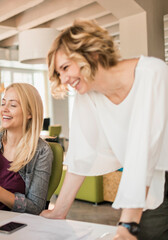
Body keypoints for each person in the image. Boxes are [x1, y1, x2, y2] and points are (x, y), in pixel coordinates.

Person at [40, 19, 168, 240]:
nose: (64, 79)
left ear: (91, 53)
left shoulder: (152, 72)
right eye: (59, 73)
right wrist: (59, 211)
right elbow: (81, 153)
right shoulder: (88, 93)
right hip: (151, 183)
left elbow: (143, 150)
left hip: (154, 171)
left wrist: (127, 225)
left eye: (65, 68)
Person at [0, 83, 53, 215]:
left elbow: (36, 208)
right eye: (3, 103)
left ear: (30, 113)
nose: (4, 109)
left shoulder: (41, 151)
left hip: (18, 225)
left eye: (12, 105)